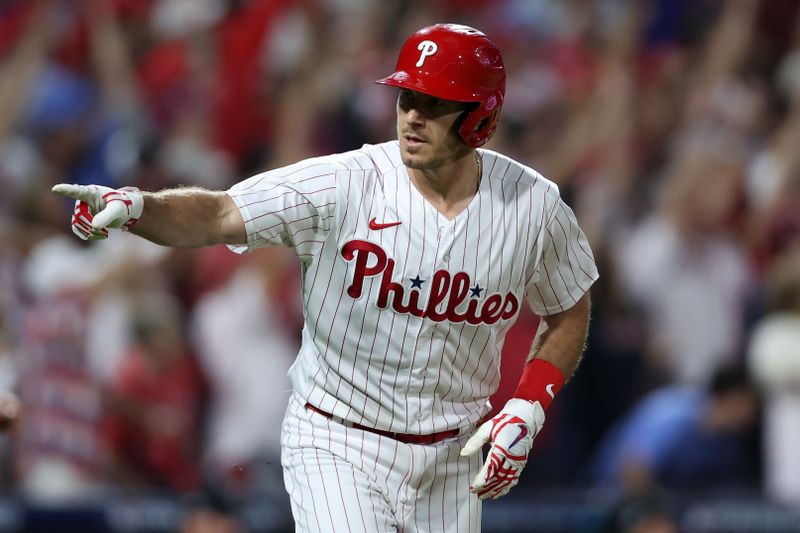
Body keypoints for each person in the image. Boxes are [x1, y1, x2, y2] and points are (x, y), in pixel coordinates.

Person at [53, 23, 598, 533]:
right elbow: (220, 212)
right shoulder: (343, 183)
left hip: (452, 458)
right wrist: (140, 207)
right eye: (407, 97)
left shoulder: (534, 206)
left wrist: (528, 405)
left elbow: (569, 304)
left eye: (434, 104)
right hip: (339, 438)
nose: (412, 115)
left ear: (482, 115)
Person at [591, 365, 759, 494]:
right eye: (748, 403)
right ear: (730, 397)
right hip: (608, 498)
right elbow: (633, 470)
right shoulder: (674, 415)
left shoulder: (728, 440)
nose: (751, 414)